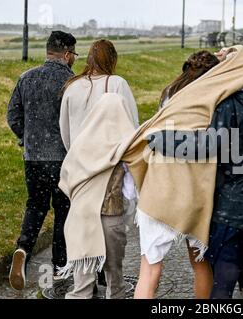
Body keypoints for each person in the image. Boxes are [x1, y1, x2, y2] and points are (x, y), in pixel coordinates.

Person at [148, 48, 243, 299]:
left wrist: (163, 140)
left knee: (224, 283)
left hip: (233, 209)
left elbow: (208, 146)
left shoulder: (230, 103)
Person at [134, 51, 220, 299]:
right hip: (194, 191)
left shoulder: (169, 96)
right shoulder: (214, 100)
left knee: (149, 271)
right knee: (202, 266)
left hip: (160, 188)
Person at [59, 39, 139, 299]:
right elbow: (131, 128)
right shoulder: (117, 85)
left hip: (80, 168)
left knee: (83, 231)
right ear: (112, 59)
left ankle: (83, 288)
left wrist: (80, 155)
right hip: (109, 167)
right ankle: (114, 288)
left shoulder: (71, 87)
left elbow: (65, 131)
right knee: (111, 234)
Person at [7, 30, 77, 290]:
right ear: (67, 54)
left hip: (34, 158)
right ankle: (60, 267)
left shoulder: (26, 78)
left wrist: (26, 138)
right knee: (63, 211)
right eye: (74, 55)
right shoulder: (73, 82)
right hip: (63, 159)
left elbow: (13, 115)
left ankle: (23, 248)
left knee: (35, 206)